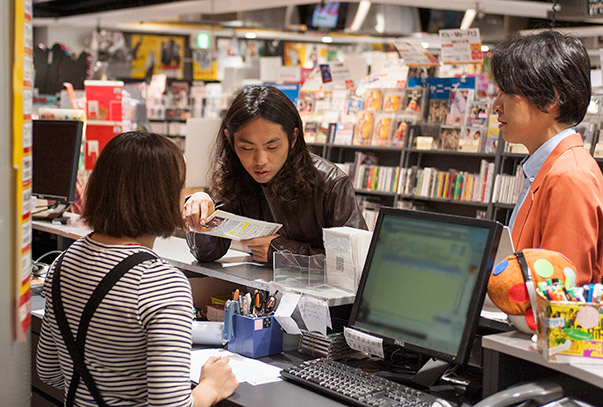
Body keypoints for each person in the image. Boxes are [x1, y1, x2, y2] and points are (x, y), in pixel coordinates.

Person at [36, 131, 238, 407]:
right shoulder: (162, 282)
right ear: (162, 196)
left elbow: (49, 372)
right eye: (180, 187)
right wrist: (212, 387)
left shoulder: (62, 263)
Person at [183, 85, 367, 263]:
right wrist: (200, 210)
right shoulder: (237, 175)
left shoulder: (330, 184)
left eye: (272, 147)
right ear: (230, 139)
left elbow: (354, 263)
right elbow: (208, 253)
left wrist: (282, 252)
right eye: (246, 148)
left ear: (293, 138)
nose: (260, 160)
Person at [491, 30, 603, 286]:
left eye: (506, 93)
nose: (495, 105)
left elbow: (560, 293)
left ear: (550, 99)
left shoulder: (569, 176)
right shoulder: (548, 167)